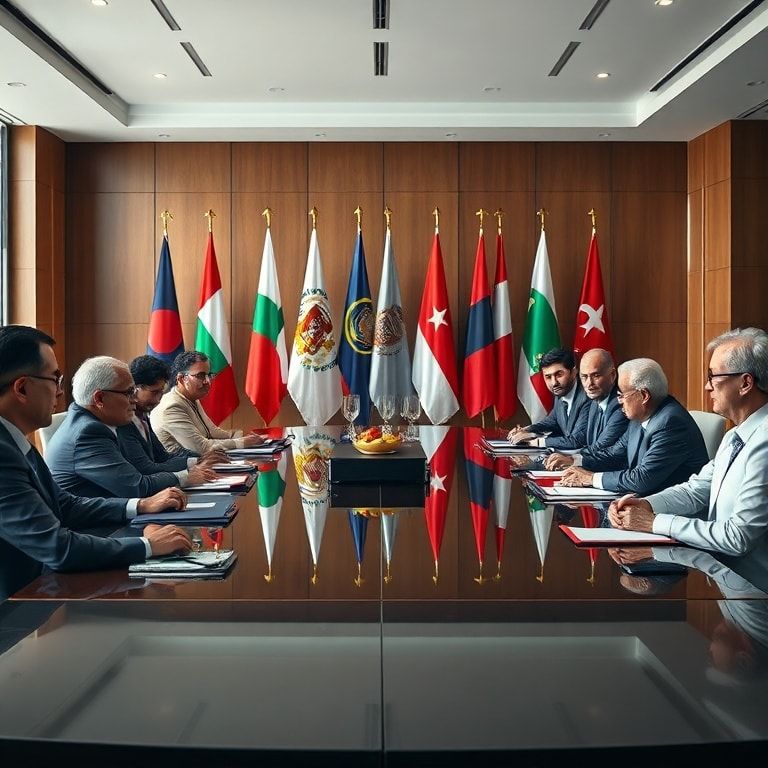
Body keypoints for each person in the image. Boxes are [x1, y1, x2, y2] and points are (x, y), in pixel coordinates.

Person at [0, 326, 191, 601]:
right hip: (20, 610)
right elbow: (57, 548)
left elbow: (65, 505)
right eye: (55, 379)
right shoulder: (3, 452)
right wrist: (147, 546)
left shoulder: (14, 439)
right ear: (21, 388)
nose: (60, 392)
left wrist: (141, 505)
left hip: (42, 590)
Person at [608, 328, 768, 559]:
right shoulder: (735, 435)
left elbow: (738, 537)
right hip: (717, 568)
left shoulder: (764, 442)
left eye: (713, 376)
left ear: (745, 383)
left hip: (748, 579)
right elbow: (696, 490)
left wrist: (653, 522)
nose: (707, 386)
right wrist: (645, 505)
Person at [46, 356, 218, 498]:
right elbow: (136, 485)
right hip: (98, 525)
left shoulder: (94, 422)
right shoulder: (89, 432)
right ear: (99, 399)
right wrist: (186, 477)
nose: (134, 400)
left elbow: (156, 462)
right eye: (128, 393)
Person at [560, 357, 708, 495]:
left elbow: (642, 479)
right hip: (644, 500)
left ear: (644, 396)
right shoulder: (640, 416)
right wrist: (576, 460)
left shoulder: (671, 423)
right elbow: (615, 454)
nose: (619, 401)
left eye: (622, 395)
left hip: (670, 508)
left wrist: (591, 478)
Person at [119, 355, 226, 475]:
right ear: (134, 389)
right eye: (154, 392)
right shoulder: (123, 423)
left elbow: (163, 456)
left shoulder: (143, 418)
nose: (158, 400)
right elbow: (147, 468)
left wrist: (200, 458)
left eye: (161, 392)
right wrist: (195, 463)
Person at [151, 351, 264, 454]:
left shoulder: (192, 398)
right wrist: (242, 443)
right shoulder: (171, 407)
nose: (207, 381)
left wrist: (243, 436)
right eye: (200, 376)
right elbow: (201, 447)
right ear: (181, 379)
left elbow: (212, 432)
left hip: (203, 462)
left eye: (209, 375)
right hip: (186, 467)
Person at [544, 348, 628, 470]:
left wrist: (572, 459)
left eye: (596, 376)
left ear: (612, 375)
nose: (589, 384)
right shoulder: (594, 402)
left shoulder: (621, 405)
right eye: (584, 377)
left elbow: (600, 447)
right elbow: (589, 446)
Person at [507, 348, 590, 450]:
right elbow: (551, 421)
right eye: (548, 377)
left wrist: (533, 442)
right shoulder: (560, 393)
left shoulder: (587, 397)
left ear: (574, 372)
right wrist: (525, 430)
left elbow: (577, 441)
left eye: (559, 374)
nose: (554, 383)